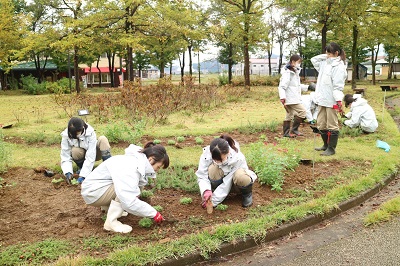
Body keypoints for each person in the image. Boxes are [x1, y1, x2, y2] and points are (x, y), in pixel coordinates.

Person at [81, 142, 170, 233]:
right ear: (151, 159)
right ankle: (111, 223)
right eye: (158, 167)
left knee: (130, 188)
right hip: (92, 193)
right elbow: (128, 199)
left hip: (98, 188)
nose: (157, 170)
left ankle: (108, 209)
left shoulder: (136, 161)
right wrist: (154, 214)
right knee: (125, 192)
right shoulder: (130, 167)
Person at [196, 134, 257, 209]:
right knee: (212, 169)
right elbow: (202, 175)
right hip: (221, 183)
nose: (218, 162)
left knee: (241, 177)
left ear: (228, 152)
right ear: (211, 153)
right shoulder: (206, 155)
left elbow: (227, 183)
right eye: (215, 160)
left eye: (221, 159)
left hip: (236, 184)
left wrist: (213, 201)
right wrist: (206, 190)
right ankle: (214, 191)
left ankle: (246, 194)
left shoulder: (238, 158)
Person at [311, 42, 347, 156]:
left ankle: (331, 148)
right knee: (321, 123)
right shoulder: (325, 63)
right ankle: (325, 145)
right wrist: (327, 56)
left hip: (332, 100)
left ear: (336, 53)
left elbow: (338, 86)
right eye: (326, 52)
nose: (327, 55)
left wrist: (338, 101)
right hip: (322, 98)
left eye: (329, 53)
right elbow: (313, 60)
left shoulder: (339, 67)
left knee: (332, 124)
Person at [60, 117, 112, 184]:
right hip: (81, 155)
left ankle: (109, 168)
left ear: (81, 129)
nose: (76, 135)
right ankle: (81, 168)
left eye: (77, 133)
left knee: (103, 139)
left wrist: (83, 176)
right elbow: (65, 155)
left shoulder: (90, 132)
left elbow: (91, 156)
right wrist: (68, 172)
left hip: (95, 153)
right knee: (75, 151)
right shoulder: (66, 135)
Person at [278, 54, 313, 137]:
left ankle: (286, 133)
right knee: (302, 112)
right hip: (291, 98)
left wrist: (308, 87)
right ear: (293, 62)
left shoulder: (294, 72)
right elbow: (282, 87)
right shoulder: (288, 73)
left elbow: (296, 86)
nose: (299, 64)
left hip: (291, 97)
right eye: (298, 62)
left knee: (289, 115)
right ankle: (294, 130)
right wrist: (282, 97)